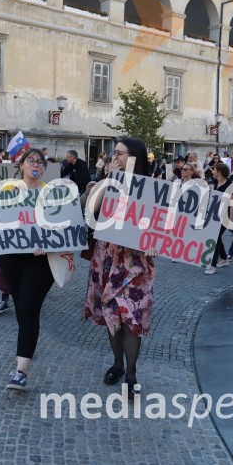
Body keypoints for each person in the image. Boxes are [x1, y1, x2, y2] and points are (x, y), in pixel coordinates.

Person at [83, 137, 156, 398]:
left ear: (134, 157)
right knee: (112, 314)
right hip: (107, 256)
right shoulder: (108, 180)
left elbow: (161, 225)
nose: (115, 157)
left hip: (135, 262)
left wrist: (155, 242)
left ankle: (131, 373)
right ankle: (117, 363)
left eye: (120, 153)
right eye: (114, 153)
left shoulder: (151, 187)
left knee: (131, 317)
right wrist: (109, 181)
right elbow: (91, 210)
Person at [0, 148, 60, 391]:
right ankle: (27, 346)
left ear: (43, 167)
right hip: (11, 258)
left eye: (40, 161)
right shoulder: (6, 190)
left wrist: (48, 241)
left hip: (40, 261)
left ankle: (21, 371)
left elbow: (61, 226)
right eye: (31, 160)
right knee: (23, 310)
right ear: (21, 165)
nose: (36, 164)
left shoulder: (50, 193)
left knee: (28, 309)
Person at [204, 163, 232, 274]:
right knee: (217, 236)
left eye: (213, 169)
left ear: (219, 172)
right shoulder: (215, 182)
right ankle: (224, 258)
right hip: (215, 214)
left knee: (214, 237)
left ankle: (212, 265)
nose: (212, 171)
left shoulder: (230, 185)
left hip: (226, 215)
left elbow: (232, 204)